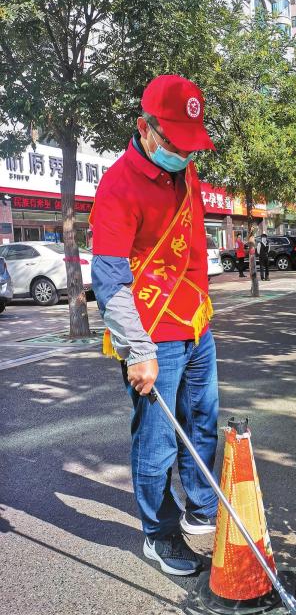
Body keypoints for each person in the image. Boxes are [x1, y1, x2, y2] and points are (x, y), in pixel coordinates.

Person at [90, 74, 219, 576]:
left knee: (202, 422)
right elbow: (109, 277)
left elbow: (194, 254)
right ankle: (158, 533)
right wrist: (137, 349)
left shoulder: (186, 172)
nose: (184, 155)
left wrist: (203, 314)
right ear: (144, 128)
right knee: (157, 440)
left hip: (196, 324)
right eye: (175, 144)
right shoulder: (118, 186)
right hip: (152, 334)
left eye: (191, 146)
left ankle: (202, 510)